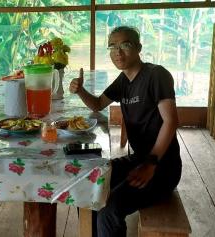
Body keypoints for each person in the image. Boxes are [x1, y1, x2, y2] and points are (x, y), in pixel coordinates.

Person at [69, 26, 182, 236]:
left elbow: (171, 121)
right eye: (113, 47)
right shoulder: (124, 81)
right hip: (138, 160)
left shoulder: (156, 75)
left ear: (138, 48)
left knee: (110, 209)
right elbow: (97, 104)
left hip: (163, 168)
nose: (118, 52)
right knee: (88, 184)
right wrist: (80, 90)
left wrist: (150, 163)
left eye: (125, 45)